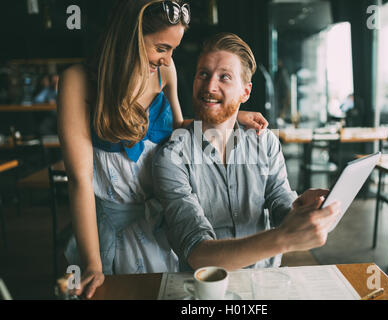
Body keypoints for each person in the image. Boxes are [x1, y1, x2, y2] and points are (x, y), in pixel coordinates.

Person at [57, 0, 268, 299]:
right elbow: (79, 180)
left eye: (173, 50)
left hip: (162, 223)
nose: (168, 60)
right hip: (110, 232)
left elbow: (178, 128)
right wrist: (92, 263)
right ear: (129, 38)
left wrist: (230, 116)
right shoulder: (76, 82)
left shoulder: (164, 74)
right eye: (161, 48)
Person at [152, 32, 341, 272]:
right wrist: (284, 238)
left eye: (225, 77)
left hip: (266, 281)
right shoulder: (172, 157)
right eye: (203, 74)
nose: (210, 86)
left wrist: (300, 210)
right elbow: (197, 252)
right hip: (206, 291)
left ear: (246, 92)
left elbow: (280, 202)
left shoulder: (265, 143)